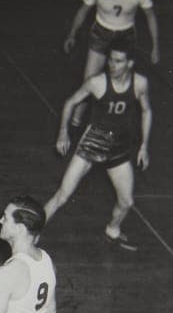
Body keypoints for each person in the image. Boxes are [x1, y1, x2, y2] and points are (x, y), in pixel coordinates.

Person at [44, 39, 152, 251]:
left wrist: (144, 146)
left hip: (118, 147)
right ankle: (32, 233)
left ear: (130, 63)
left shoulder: (140, 83)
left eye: (118, 61)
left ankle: (113, 230)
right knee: (62, 195)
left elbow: (147, 110)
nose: (112, 64)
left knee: (127, 201)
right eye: (110, 59)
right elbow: (71, 102)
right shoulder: (97, 82)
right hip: (93, 141)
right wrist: (63, 132)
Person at [62, 0, 159, 132]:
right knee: (89, 79)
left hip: (125, 36)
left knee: (123, 83)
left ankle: (119, 122)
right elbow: (83, 10)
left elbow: (150, 16)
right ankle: (76, 121)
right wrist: (72, 35)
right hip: (101, 33)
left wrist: (155, 47)